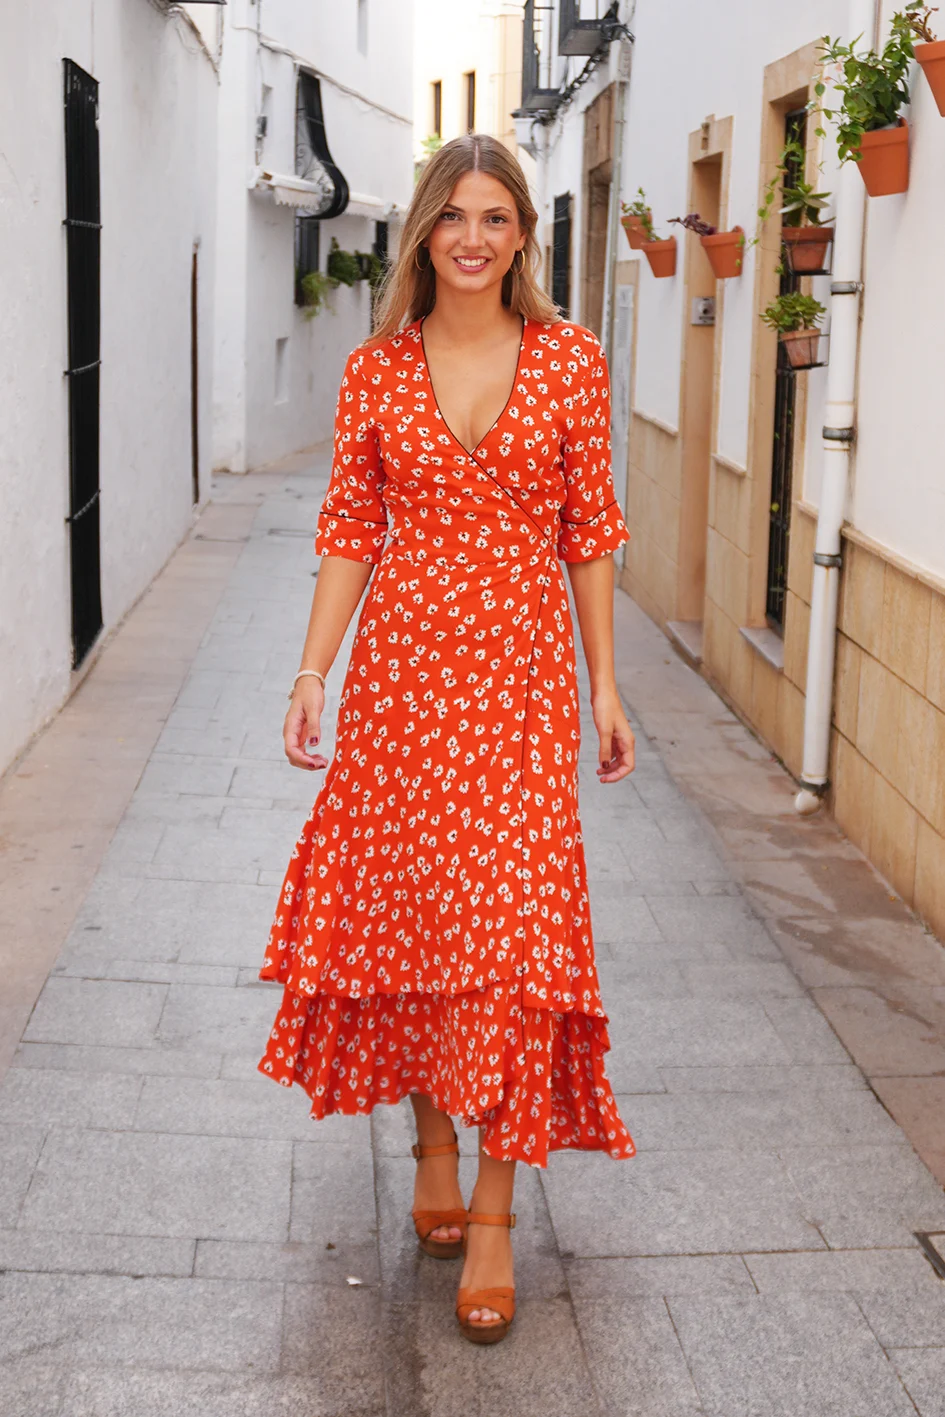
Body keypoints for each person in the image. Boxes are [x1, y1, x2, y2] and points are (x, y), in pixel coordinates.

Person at [257, 133, 636, 1346]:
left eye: (498, 218)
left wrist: (606, 689)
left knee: (518, 940)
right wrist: (313, 671)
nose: (474, 238)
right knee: (418, 919)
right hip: (403, 694)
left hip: (519, 698)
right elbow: (349, 533)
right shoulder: (375, 371)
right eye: (454, 216)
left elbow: (591, 535)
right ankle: (429, 1138)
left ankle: (491, 1210)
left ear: (525, 236)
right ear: (423, 229)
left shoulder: (571, 362)